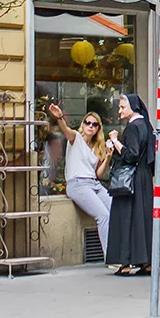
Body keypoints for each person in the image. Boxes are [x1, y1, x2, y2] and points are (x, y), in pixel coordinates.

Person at [46, 103, 113, 254]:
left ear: (98, 128)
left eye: (94, 124)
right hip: (78, 184)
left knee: (116, 210)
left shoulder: (97, 147)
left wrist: (108, 158)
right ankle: (110, 256)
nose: (90, 126)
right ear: (82, 124)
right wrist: (60, 117)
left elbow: (98, 175)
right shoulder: (76, 138)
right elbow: (66, 130)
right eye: (87, 122)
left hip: (94, 184)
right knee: (103, 216)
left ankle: (121, 253)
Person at [105, 93, 155, 276]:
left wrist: (115, 141)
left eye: (122, 107)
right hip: (144, 178)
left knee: (126, 219)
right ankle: (146, 262)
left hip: (130, 180)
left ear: (133, 107)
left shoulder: (133, 127)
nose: (119, 111)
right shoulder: (146, 125)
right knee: (142, 220)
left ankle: (125, 263)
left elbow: (131, 155)